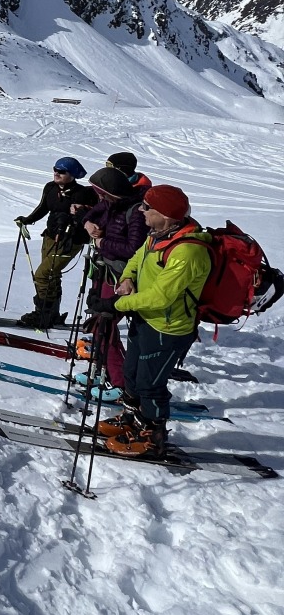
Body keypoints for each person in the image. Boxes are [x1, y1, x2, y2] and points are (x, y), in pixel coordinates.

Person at [91, 185, 212, 455]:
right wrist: (127, 278)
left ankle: (153, 435)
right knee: (132, 376)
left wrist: (115, 303)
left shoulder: (188, 252)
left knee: (150, 384)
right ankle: (132, 421)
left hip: (168, 328)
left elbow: (161, 297)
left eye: (148, 208)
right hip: (145, 319)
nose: (142, 212)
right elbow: (137, 258)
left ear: (166, 215)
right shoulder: (158, 234)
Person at [81, 166, 148, 389]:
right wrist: (88, 223)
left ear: (110, 192)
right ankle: (107, 371)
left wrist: (102, 243)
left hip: (121, 278)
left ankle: (120, 382)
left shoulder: (136, 211)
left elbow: (134, 249)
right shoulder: (112, 204)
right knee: (98, 321)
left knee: (104, 325)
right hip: (104, 271)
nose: (98, 197)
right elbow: (93, 213)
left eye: (100, 192)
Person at [14, 157, 96, 328]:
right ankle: (52, 314)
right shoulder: (50, 187)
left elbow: (86, 217)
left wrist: (72, 221)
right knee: (52, 275)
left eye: (62, 171)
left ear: (72, 174)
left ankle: (43, 313)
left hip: (70, 241)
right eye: (55, 169)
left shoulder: (82, 193)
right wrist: (27, 220)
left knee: (43, 275)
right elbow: (43, 207)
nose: (56, 173)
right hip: (50, 237)